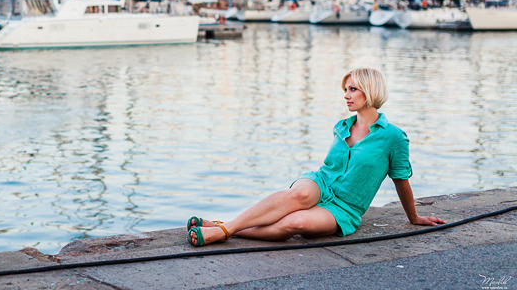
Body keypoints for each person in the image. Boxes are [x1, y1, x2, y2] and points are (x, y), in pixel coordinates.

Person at [187, 68, 445, 246]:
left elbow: (401, 179)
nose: (346, 95)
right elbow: (329, 168)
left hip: (344, 208)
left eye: (353, 89)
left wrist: (414, 217)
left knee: (295, 223)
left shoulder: (393, 137)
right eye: (345, 89)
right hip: (319, 183)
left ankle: (224, 227)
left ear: (370, 91)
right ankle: (223, 230)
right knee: (300, 195)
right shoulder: (341, 126)